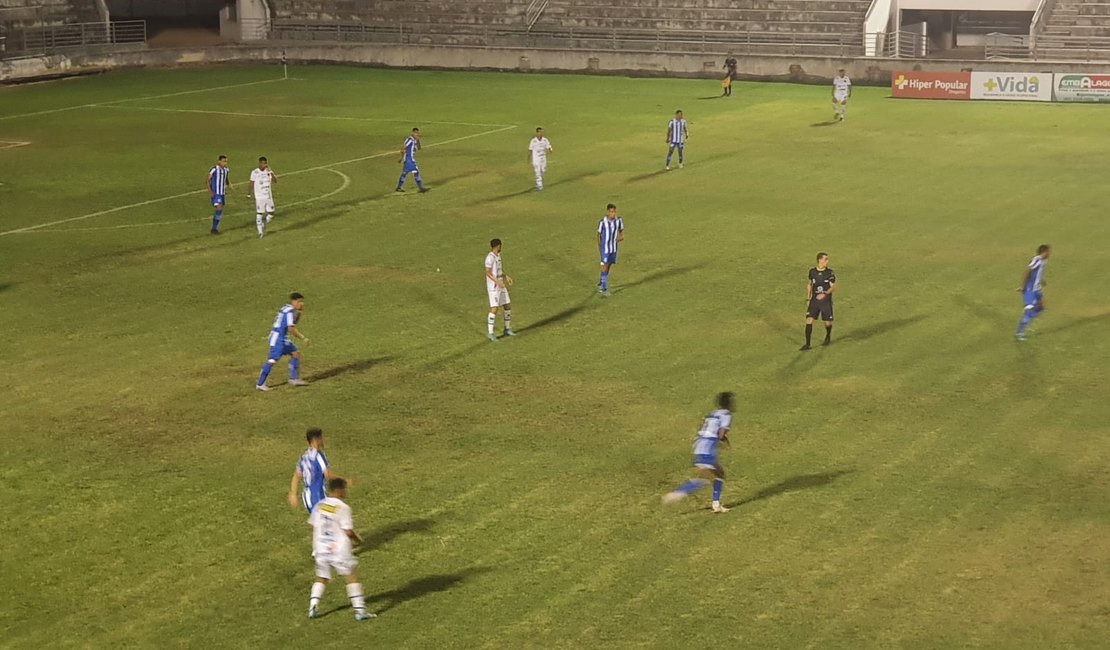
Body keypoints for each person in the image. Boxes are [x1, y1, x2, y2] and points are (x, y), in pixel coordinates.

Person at [307, 477, 375, 621]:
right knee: (351, 577)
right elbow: (348, 531)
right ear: (338, 490)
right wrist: (359, 540)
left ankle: (313, 606)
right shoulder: (343, 508)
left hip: (320, 547)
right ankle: (360, 611)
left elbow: (313, 525)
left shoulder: (319, 505)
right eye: (344, 489)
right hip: (338, 548)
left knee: (321, 577)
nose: (345, 492)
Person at [662, 392, 735, 514]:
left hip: (700, 445)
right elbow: (721, 434)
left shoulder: (712, 414)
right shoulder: (726, 415)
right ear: (728, 403)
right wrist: (724, 441)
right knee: (705, 478)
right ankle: (677, 494)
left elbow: (702, 428)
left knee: (720, 474)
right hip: (708, 448)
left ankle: (716, 505)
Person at [257, 292, 310, 391]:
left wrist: (299, 313)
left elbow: (292, 323)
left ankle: (293, 379)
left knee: (295, 353)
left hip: (281, 337)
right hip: (278, 339)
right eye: (299, 301)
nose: (301, 304)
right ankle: (260, 384)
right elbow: (291, 329)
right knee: (272, 360)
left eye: (302, 302)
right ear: (293, 301)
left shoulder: (286, 308)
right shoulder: (289, 312)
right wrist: (303, 338)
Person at [289, 428, 337, 513]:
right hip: (317, 499)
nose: (322, 440)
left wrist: (293, 494)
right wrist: (344, 481)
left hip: (307, 499)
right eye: (321, 438)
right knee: (336, 514)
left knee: (322, 522)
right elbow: (328, 475)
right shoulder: (319, 456)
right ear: (316, 440)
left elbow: (296, 476)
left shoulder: (304, 457)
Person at [801, 252, 836, 350]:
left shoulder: (830, 273)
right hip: (814, 300)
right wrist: (808, 297)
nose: (827, 261)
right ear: (820, 260)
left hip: (826, 301)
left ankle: (828, 336)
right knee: (809, 320)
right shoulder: (812, 271)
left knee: (827, 322)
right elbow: (809, 284)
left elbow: (833, 287)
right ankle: (807, 344)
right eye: (826, 259)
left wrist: (824, 294)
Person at [1016, 244, 1051, 341]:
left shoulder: (1043, 261)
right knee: (1029, 312)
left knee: (1042, 306)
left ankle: (1030, 312)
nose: (1050, 254)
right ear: (1044, 252)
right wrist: (1023, 287)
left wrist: (1041, 280)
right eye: (1048, 252)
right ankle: (1019, 332)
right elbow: (1028, 271)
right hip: (1030, 290)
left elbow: (1036, 273)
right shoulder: (1037, 259)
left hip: (1036, 289)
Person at [484, 238, 514, 341]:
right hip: (494, 287)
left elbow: (498, 271)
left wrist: (506, 277)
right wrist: (497, 282)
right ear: (498, 246)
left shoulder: (498, 256)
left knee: (507, 305)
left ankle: (507, 328)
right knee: (494, 308)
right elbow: (487, 272)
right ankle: (490, 333)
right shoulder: (490, 258)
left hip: (501, 285)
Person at [596, 203, 624, 297]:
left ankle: (601, 282)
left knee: (609, 265)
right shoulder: (602, 222)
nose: (613, 214)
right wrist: (599, 246)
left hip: (613, 248)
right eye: (611, 212)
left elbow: (621, 231)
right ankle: (604, 289)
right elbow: (599, 234)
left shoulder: (618, 220)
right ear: (608, 212)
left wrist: (620, 237)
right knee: (604, 265)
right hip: (605, 248)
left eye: (614, 212)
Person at [247, 156, 277, 238]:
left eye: (266, 163)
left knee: (271, 213)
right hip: (260, 197)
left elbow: (275, 180)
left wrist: (271, 171)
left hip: (268, 196)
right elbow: (251, 183)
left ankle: (263, 223)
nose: (265, 165)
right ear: (260, 163)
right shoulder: (255, 172)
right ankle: (260, 232)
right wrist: (249, 194)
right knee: (259, 213)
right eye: (263, 163)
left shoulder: (268, 171)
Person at [396, 127, 427, 193]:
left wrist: (418, 140)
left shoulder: (415, 140)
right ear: (413, 133)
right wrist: (401, 158)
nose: (417, 134)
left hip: (408, 159)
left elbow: (419, 148)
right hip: (409, 159)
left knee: (405, 173)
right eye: (416, 133)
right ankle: (421, 188)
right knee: (416, 171)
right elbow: (403, 148)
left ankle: (399, 187)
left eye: (418, 133)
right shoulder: (410, 140)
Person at [207, 155, 230, 235]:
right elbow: (208, 180)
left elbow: (226, 179)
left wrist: (229, 185)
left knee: (220, 210)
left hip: (222, 193)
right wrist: (210, 191)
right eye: (223, 161)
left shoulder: (226, 170)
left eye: (226, 161)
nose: (225, 163)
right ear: (219, 161)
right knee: (219, 208)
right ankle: (214, 229)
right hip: (216, 193)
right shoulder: (214, 169)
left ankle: (214, 228)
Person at [527, 127, 552, 191]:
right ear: (537, 133)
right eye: (540, 132)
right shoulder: (533, 141)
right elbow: (530, 150)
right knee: (537, 171)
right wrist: (529, 158)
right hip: (536, 158)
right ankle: (539, 185)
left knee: (543, 170)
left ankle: (538, 182)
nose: (541, 133)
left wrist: (550, 150)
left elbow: (549, 146)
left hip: (543, 157)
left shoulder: (545, 140)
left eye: (542, 132)